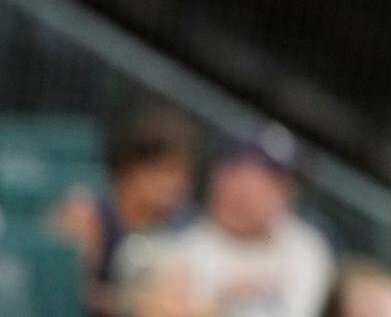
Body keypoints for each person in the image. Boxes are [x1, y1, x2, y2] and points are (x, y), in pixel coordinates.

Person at [164, 126, 335, 317]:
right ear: (223, 176)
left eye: (278, 183)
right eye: (252, 177)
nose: (256, 193)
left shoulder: (305, 246)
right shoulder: (182, 243)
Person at [53, 106, 198, 316]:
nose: (175, 185)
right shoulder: (87, 213)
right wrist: (129, 304)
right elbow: (67, 290)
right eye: (166, 172)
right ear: (131, 168)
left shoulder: (179, 223)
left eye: (182, 175)